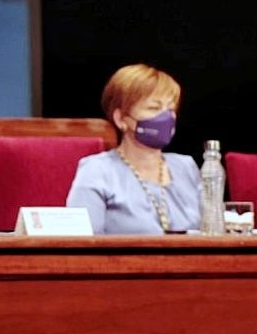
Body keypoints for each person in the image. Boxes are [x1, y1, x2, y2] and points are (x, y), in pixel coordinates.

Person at [66, 63, 201, 235]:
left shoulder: (186, 167)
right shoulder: (97, 171)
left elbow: (213, 232)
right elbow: (80, 245)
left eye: (171, 108)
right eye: (154, 108)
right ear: (121, 119)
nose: (166, 117)